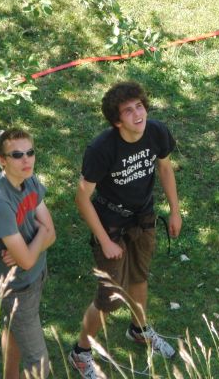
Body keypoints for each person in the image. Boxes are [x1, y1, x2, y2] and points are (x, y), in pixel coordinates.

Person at [68, 81, 182, 378]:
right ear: (117, 121)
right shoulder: (102, 149)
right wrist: (105, 241)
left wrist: (175, 211)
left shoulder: (156, 132)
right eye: (128, 111)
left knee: (139, 276)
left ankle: (139, 330)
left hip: (143, 218)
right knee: (110, 296)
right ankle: (80, 352)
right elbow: (82, 197)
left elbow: (165, 168)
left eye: (139, 106)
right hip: (111, 224)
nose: (137, 114)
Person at [0, 128, 56, 378]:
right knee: (39, 366)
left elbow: (52, 234)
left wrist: (30, 248)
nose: (26, 160)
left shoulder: (28, 179)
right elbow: (27, 258)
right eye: (17, 155)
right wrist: (39, 235)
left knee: (13, 330)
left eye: (30, 152)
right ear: (1, 160)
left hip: (36, 275)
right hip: (18, 288)